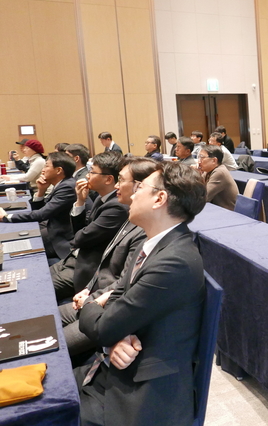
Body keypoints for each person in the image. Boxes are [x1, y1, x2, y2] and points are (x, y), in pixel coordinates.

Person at [75, 161, 207, 426]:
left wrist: (89, 304)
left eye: (140, 188)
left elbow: (103, 327)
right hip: (116, 363)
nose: (133, 195)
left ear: (159, 199)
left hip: (143, 391)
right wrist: (116, 334)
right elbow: (117, 298)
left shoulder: (174, 261)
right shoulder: (152, 243)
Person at [58, 158, 154, 359]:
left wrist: (91, 299)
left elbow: (126, 281)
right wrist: (88, 289)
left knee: (54, 345)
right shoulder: (130, 215)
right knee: (46, 321)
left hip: (106, 308)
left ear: (139, 187)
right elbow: (104, 263)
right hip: (93, 294)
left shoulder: (143, 227)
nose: (117, 186)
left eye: (122, 180)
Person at [51, 151, 128, 302]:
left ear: (108, 179)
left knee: (39, 287)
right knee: (35, 276)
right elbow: (82, 231)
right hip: (75, 256)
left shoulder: (117, 207)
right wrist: (80, 201)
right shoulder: (101, 197)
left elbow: (81, 237)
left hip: (87, 267)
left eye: (92, 172)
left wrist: (79, 236)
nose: (87, 175)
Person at [0, 152, 77, 259]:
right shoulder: (63, 184)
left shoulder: (67, 187)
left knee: (13, 250)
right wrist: (41, 191)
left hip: (61, 239)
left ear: (59, 170)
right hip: (52, 228)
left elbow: (42, 214)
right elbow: (41, 211)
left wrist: (7, 217)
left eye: (46, 166)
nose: (43, 170)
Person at [198, 144, 239, 211]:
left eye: (202, 158)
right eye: (199, 157)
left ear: (214, 160)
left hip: (227, 213)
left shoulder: (219, 172)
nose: (199, 161)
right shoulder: (208, 171)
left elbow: (204, 197)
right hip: (217, 209)